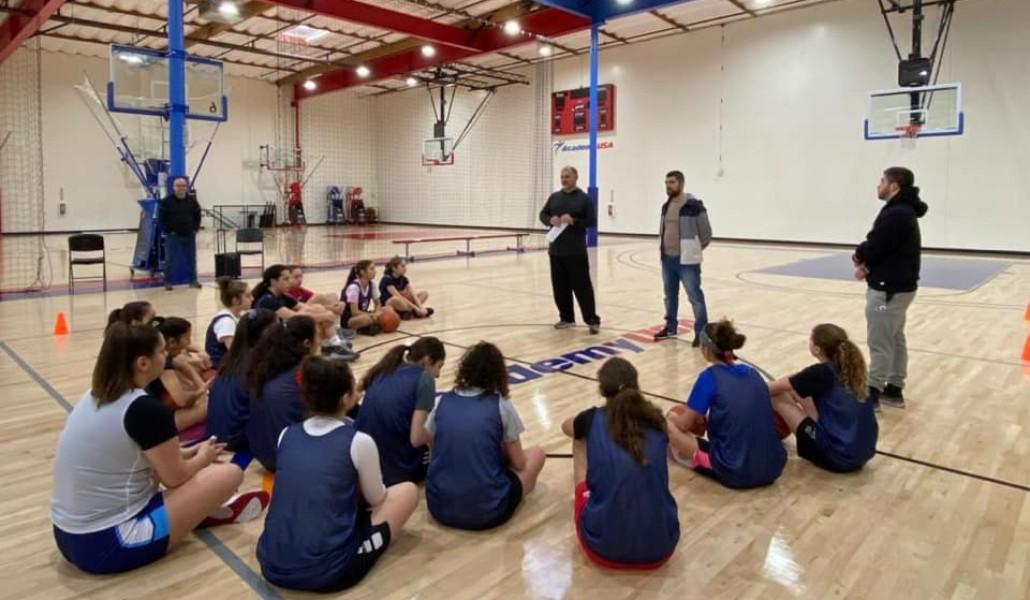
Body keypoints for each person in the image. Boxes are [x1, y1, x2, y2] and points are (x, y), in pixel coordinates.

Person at [50, 323, 266, 575]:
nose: (167, 356)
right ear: (143, 363)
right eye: (162, 351)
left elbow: (131, 456)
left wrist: (187, 454)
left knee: (173, 469)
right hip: (110, 544)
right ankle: (198, 512)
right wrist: (204, 457)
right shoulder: (146, 410)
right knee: (229, 474)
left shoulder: (94, 395)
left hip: (67, 536)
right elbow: (175, 478)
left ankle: (194, 512)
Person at [257, 357, 418, 592]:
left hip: (270, 562)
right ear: (345, 398)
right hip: (329, 572)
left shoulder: (286, 434)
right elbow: (377, 498)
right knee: (407, 492)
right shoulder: (359, 441)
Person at [561, 357, 679, 569]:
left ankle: (583, 494)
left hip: (603, 549)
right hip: (662, 548)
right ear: (636, 385)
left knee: (580, 440)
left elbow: (565, 426)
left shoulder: (591, 419)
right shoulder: (657, 420)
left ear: (602, 390)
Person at [425, 342, 546, 530]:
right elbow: (519, 464)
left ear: (464, 369)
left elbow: (433, 448)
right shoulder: (501, 404)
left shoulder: (442, 401)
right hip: (488, 512)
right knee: (537, 454)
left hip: (438, 506)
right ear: (499, 373)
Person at [666, 319, 786, 489]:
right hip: (774, 467)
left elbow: (684, 424)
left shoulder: (708, 377)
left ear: (705, 350)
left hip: (735, 471)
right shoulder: (753, 373)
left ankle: (688, 457)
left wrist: (672, 418)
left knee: (666, 425)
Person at [853, 167, 927, 409]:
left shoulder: (897, 214)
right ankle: (894, 388)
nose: (879, 185)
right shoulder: (903, 211)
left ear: (894, 186)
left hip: (887, 293)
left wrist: (859, 256)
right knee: (894, 337)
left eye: (882, 181)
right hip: (899, 289)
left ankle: (872, 393)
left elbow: (875, 246)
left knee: (880, 340)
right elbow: (884, 246)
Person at [768, 324, 878, 473]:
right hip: (863, 452)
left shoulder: (820, 372)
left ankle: (756, 433)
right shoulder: (852, 369)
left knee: (778, 395)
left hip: (837, 457)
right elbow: (794, 382)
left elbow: (767, 390)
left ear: (817, 349)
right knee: (794, 387)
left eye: (810, 340)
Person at [356, 337, 446, 485]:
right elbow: (416, 438)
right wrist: (433, 441)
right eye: (439, 366)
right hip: (392, 468)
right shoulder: (425, 379)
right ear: (427, 360)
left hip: (361, 456)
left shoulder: (386, 367)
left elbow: (357, 390)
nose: (438, 374)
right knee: (439, 442)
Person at [246, 315, 321, 472]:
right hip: (288, 458)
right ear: (307, 343)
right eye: (318, 335)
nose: (320, 340)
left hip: (262, 453)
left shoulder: (267, 368)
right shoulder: (303, 372)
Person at [539, 166, 600, 335]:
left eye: (567, 176)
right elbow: (542, 214)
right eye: (562, 176)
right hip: (556, 252)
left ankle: (592, 320)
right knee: (560, 288)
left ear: (575, 177)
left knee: (583, 288)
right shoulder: (554, 197)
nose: (564, 179)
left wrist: (574, 221)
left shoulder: (584, 199)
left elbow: (592, 221)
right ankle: (566, 318)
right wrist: (550, 219)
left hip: (576, 252)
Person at [205, 308, 278, 452]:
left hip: (215, 433)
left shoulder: (231, 358)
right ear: (267, 333)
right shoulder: (259, 362)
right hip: (238, 439)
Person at [253, 264, 357, 361]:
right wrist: (325, 315)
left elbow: (306, 307)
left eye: (289, 278)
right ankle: (332, 344)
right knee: (313, 321)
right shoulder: (267, 299)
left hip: (281, 332)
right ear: (273, 281)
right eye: (286, 279)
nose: (289, 282)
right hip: (269, 341)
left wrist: (330, 309)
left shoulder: (281, 295)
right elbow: (293, 317)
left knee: (317, 308)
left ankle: (334, 344)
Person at [654, 170, 711, 345]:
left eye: (672, 182)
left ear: (681, 183)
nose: (668, 186)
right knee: (669, 296)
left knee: (695, 297)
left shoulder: (694, 205)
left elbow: (706, 234)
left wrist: (692, 250)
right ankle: (670, 327)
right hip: (667, 260)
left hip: (687, 262)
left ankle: (701, 333)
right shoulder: (666, 205)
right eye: (666, 183)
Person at [151, 317, 210, 433]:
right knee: (210, 407)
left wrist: (203, 389)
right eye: (187, 338)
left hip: (162, 409)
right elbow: (182, 401)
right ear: (172, 342)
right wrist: (200, 392)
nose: (189, 343)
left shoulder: (168, 358)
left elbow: (186, 368)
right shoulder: (164, 366)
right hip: (158, 421)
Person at [160, 176, 202, 291]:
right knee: (170, 260)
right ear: (173, 187)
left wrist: (195, 228)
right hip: (173, 236)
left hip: (189, 235)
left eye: (183, 185)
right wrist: (168, 230)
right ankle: (168, 282)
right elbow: (161, 218)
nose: (181, 188)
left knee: (191, 259)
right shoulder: (166, 202)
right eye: (178, 186)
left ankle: (193, 281)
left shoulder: (192, 201)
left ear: (186, 187)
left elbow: (197, 215)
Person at [205, 277, 253, 368]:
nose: (252, 299)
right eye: (248, 296)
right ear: (235, 300)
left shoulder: (237, 316)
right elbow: (234, 351)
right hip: (221, 366)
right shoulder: (226, 321)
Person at [341, 260, 384, 335]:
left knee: (387, 309)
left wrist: (377, 312)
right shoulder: (354, 288)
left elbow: (378, 303)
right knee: (367, 319)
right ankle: (361, 329)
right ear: (362, 272)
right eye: (372, 269)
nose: (375, 271)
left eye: (374, 269)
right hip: (350, 319)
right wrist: (372, 315)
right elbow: (354, 312)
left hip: (362, 314)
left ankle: (367, 327)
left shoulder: (372, 284)